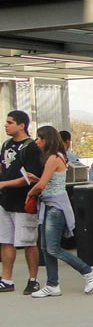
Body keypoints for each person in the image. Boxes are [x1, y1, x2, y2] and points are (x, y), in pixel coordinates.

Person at [25, 126, 93, 297]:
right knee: (45, 247)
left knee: (52, 248)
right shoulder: (58, 157)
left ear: (47, 140)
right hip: (51, 204)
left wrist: (31, 191)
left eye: (39, 138)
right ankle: (52, 284)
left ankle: (87, 271)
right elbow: (50, 181)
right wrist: (36, 180)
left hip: (55, 207)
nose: (37, 142)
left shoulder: (52, 158)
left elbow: (43, 185)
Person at [0, 110, 45, 295]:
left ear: (21, 125)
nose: (6, 125)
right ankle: (6, 279)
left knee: (28, 242)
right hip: (5, 201)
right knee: (6, 241)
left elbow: (31, 177)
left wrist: (4, 183)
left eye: (10, 122)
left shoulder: (30, 148)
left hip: (23, 202)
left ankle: (33, 279)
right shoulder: (6, 144)